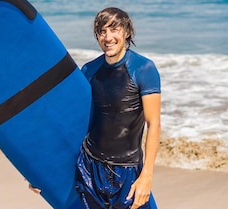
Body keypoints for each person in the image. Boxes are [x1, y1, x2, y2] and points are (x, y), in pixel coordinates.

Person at [30, 7, 161, 209]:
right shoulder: (89, 70)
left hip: (127, 173)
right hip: (89, 168)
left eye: (114, 29)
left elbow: (154, 124)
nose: (108, 37)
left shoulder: (143, 69)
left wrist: (147, 177)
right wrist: (45, 173)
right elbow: (71, 121)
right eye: (102, 31)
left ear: (126, 32)